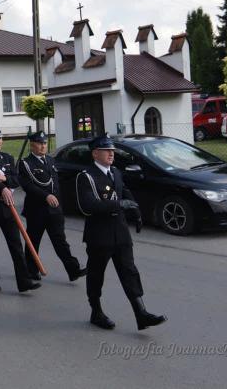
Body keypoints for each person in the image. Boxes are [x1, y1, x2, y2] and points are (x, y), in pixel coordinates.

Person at [76, 133, 166, 331]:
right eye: (106, 150)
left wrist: (136, 212)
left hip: (120, 231)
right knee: (96, 275)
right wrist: (118, 204)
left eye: (112, 150)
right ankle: (96, 311)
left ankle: (141, 313)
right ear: (95, 153)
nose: (111, 154)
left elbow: (124, 192)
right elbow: (87, 206)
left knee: (129, 271)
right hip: (99, 235)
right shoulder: (86, 176)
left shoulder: (115, 172)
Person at [0, 124, 39, 294]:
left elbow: (16, 179)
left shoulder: (7, 157)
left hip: (7, 209)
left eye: (0, 138)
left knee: (16, 246)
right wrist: (2, 188)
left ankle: (24, 282)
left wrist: (5, 181)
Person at [18, 130, 86, 282]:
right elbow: (28, 186)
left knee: (60, 241)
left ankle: (73, 270)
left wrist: (60, 206)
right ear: (32, 145)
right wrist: (45, 196)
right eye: (39, 143)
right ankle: (32, 270)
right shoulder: (26, 164)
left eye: (44, 143)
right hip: (36, 210)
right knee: (33, 242)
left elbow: (56, 185)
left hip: (54, 211)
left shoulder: (50, 160)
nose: (43, 146)